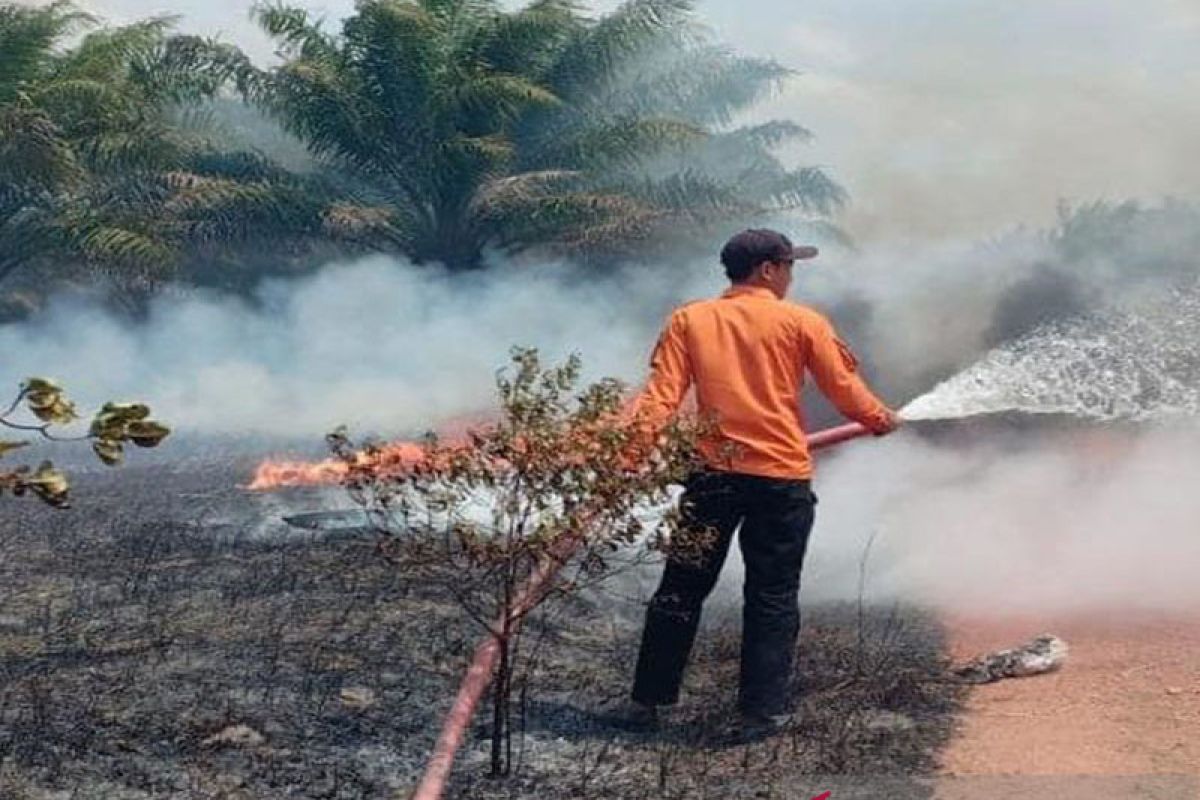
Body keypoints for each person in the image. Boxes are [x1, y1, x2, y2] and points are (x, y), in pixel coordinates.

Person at [625, 228, 899, 736]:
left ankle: (647, 703)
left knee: (680, 589)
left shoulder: (689, 320)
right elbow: (844, 388)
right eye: (789, 266)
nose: (792, 276)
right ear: (768, 270)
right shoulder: (802, 322)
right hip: (779, 481)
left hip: (712, 479)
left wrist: (631, 455)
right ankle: (761, 712)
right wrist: (880, 418)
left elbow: (659, 399)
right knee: (772, 596)